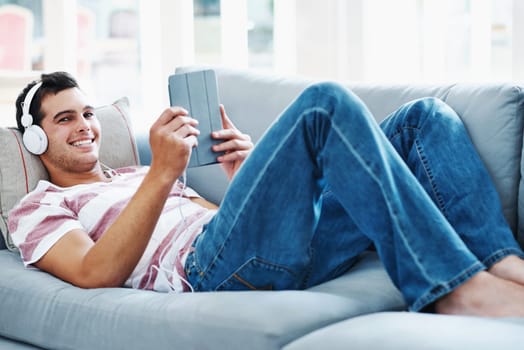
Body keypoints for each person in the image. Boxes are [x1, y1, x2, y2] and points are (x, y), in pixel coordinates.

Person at [8, 71, 524, 317]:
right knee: (323, 103)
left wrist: (247, 174)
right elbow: (94, 273)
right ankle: (454, 290)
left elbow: (222, 220)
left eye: (88, 113)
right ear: (35, 138)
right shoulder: (39, 207)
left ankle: (502, 261)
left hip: (254, 248)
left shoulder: (130, 179)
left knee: (423, 118)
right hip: (210, 273)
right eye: (64, 118)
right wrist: (161, 174)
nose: (85, 126)